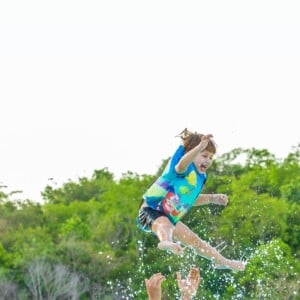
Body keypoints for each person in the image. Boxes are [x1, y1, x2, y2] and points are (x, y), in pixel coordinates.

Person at [137, 128, 246, 271]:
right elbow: (181, 165)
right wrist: (199, 147)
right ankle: (166, 242)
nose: (207, 161)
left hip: (169, 219)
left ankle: (222, 261)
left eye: (210, 158)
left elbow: (189, 200)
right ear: (191, 153)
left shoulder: (200, 177)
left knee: (195, 240)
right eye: (204, 155)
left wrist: (212, 198)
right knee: (165, 225)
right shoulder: (182, 169)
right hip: (148, 211)